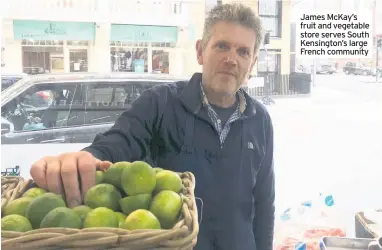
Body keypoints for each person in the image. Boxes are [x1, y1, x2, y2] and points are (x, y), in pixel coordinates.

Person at [30, 3, 275, 250]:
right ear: (201, 51)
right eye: (222, 46)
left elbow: (264, 203)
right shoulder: (159, 103)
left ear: (252, 63)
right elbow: (117, 144)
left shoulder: (260, 120)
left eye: (243, 52)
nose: (231, 59)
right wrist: (85, 159)